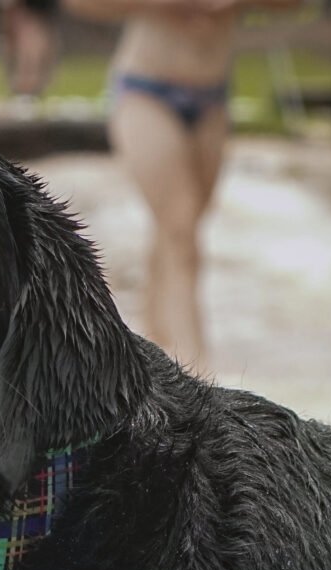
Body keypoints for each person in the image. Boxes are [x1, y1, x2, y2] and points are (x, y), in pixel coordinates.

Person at [65, 0, 296, 374]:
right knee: (181, 230)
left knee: (176, 232)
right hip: (146, 90)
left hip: (212, 98)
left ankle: (154, 342)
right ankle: (198, 372)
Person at [4, 0, 61, 103]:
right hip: (33, 12)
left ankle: (29, 86)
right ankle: (27, 86)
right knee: (32, 43)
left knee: (33, 43)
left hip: (36, 11)